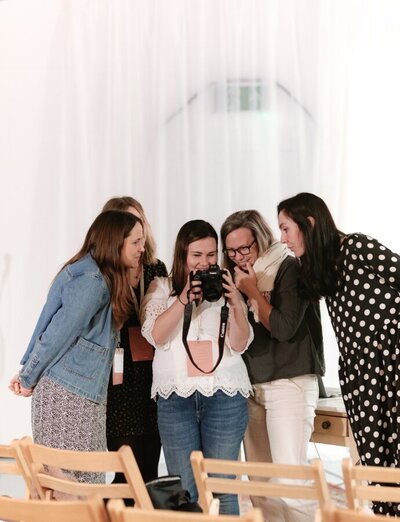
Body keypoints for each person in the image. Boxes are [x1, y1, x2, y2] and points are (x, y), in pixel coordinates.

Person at [277, 192, 400, 517]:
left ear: (310, 223)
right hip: (361, 374)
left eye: (286, 229)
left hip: (392, 361)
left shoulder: (355, 246)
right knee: (376, 464)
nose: (283, 239)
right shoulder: (318, 268)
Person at [9, 210, 144, 484]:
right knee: (72, 483)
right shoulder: (93, 282)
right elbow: (58, 333)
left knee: (79, 480)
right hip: (68, 394)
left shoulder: (100, 275)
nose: (143, 248)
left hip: (78, 391)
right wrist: (27, 376)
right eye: (136, 242)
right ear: (116, 242)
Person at [140, 219, 253, 515]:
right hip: (175, 397)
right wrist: (182, 299)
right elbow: (155, 335)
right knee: (186, 491)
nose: (205, 263)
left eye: (211, 255)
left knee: (223, 489)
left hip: (225, 395)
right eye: (197, 256)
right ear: (182, 256)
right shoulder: (161, 287)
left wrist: (236, 301)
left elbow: (240, 344)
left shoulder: (226, 287)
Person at [220, 210, 325, 522]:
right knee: (261, 484)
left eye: (245, 248)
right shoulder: (235, 279)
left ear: (261, 239)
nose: (238, 257)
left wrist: (252, 291)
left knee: (292, 479)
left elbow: (282, 327)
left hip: (289, 383)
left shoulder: (289, 268)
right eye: (231, 251)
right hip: (250, 385)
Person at [102, 196, 167, 484]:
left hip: (153, 376)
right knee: (126, 472)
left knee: (150, 469)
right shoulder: (103, 273)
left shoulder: (156, 268)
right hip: (118, 381)